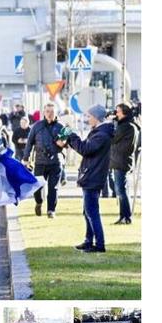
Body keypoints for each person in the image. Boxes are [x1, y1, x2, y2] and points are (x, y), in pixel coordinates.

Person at [58, 104, 115, 253]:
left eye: (89, 116)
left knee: (92, 212)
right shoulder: (99, 132)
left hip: (93, 176)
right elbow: (85, 147)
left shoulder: (101, 135)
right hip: (91, 175)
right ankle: (89, 240)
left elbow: (85, 149)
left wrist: (71, 136)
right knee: (87, 211)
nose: (87, 119)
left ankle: (100, 244)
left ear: (96, 118)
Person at [25, 103, 65, 218]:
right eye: (47, 111)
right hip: (40, 162)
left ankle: (51, 210)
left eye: (52, 112)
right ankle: (38, 202)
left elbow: (65, 143)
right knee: (38, 187)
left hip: (55, 162)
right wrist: (26, 158)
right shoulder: (37, 126)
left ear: (55, 113)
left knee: (53, 188)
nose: (49, 114)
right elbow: (29, 142)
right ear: (44, 112)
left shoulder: (61, 127)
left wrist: (64, 142)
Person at [110, 102, 140, 225]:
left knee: (120, 190)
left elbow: (113, 138)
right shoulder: (130, 125)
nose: (116, 114)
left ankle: (126, 216)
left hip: (120, 161)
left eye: (118, 111)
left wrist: (113, 122)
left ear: (124, 113)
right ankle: (124, 216)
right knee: (122, 189)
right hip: (121, 160)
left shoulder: (126, 126)